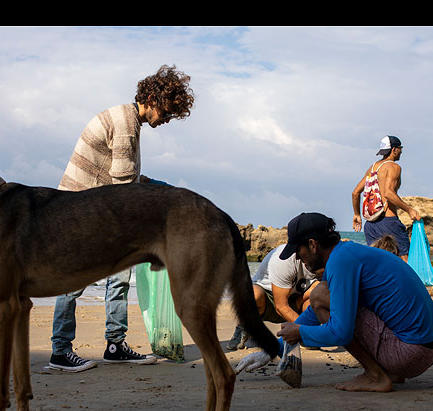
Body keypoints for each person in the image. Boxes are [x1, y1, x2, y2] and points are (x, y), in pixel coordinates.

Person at [49, 65, 195, 372]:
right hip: (78, 213)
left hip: (86, 208)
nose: (166, 120)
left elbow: (125, 178)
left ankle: (115, 345)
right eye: (167, 113)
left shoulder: (126, 119)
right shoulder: (127, 126)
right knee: (75, 281)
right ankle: (60, 351)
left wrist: (159, 187)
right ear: (153, 99)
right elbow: (125, 194)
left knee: (117, 278)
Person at [238, 212, 433, 393]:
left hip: (408, 354)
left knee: (320, 295)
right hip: (426, 349)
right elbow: (313, 313)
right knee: (323, 295)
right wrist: (274, 347)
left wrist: (300, 334)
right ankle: (389, 373)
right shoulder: (346, 253)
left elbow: (340, 331)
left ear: (312, 245)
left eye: (298, 251)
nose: (299, 258)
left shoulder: (341, 261)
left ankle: (376, 376)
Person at [227, 244, 320, 350]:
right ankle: (243, 327)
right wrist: (304, 331)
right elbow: (281, 306)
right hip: (268, 301)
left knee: (317, 295)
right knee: (252, 294)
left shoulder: (326, 260)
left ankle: (308, 333)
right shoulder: (284, 259)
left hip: (295, 301)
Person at [351, 135, 421, 261]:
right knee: (404, 261)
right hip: (388, 222)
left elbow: (355, 193)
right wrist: (410, 210)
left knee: (378, 263)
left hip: (370, 225)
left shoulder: (373, 168)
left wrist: (357, 215)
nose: (401, 152)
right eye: (400, 149)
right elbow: (388, 193)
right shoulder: (394, 167)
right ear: (394, 149)